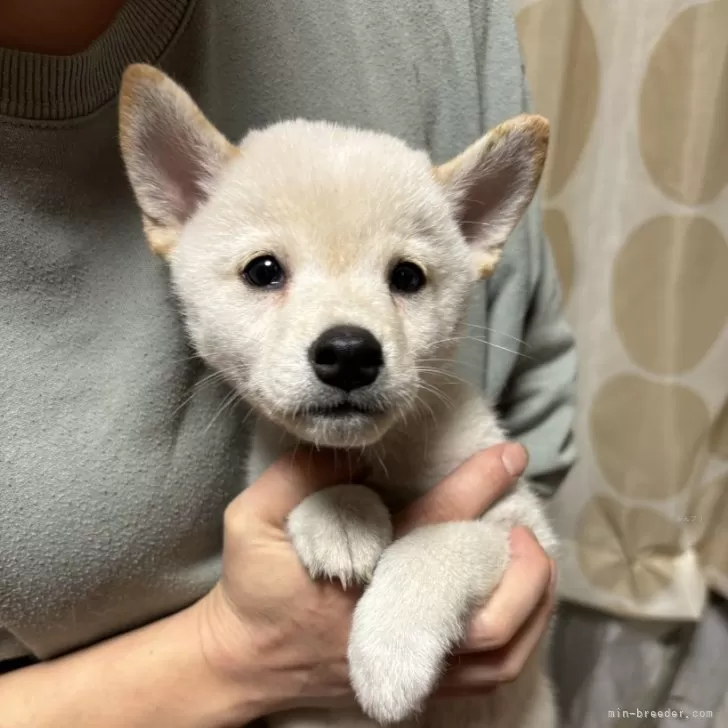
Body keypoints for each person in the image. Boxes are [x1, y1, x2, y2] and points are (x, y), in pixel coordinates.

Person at [0, 1, 577, 726]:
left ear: (472, 238)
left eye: (405, 278)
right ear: (178, 200)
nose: (348, 341)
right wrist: (232, 650)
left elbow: (522, 532)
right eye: (266, 270)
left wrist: (429, 572)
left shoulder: (441, 18)